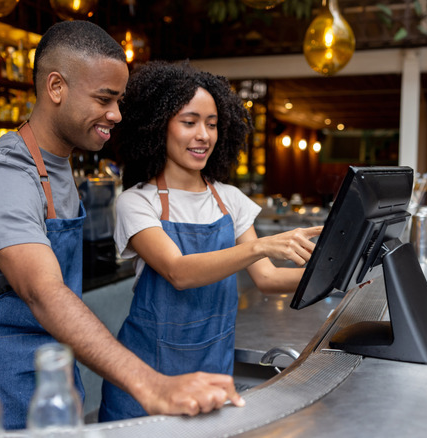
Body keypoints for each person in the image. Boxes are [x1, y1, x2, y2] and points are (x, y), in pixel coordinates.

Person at [0, 21, 243, 430]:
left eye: (119, 100)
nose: (116, 114)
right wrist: (150, 384)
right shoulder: (3, 173)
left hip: (49, 374)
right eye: (105, 99)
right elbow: (42, 292)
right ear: (56, 88)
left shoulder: (58, 168)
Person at [99, 61, 323, 421]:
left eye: (213, 124)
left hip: (214, 372)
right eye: (189, 122)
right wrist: (261, 246)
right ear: (158, 127)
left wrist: (340, 274)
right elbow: (178, 272)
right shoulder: (137, 202)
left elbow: (268, 278)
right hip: (148, 378)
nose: (203, 135)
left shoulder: (229, 199)